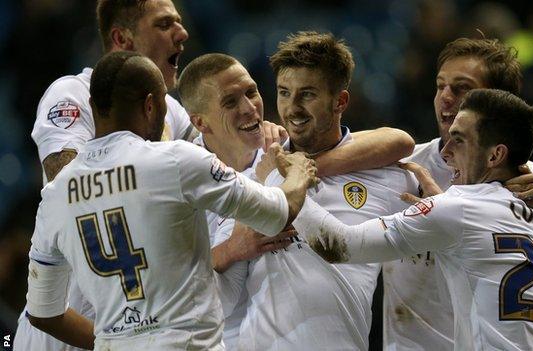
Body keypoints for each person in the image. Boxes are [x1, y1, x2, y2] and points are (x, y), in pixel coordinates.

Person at [25, 51, 318, 350]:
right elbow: (279, 212)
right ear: (151, 105)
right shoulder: (176, 161)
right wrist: (298, 170)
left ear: (93, 107)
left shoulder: (54, 195)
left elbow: (43, 314)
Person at [294, 88, 533, 351]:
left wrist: (290, 185)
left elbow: (339, 245)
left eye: (459, 140)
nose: (446, 151)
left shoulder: (458, 207)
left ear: (495, 155)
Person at [177, 52, 417, 350]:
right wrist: (231, 250)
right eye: (284, 93)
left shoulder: (388, 174)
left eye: (252, 92)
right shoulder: (237, 183)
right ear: (200, 123)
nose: (291, 107)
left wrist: (298, 169)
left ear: (340, 101)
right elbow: (206, 297)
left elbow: (401, 141)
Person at [17, 1, 193, 350]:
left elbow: (219, 176)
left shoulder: (173, 112)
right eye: (163, 24)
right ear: (121, 38)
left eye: (179, 22)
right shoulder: (73, 93)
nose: (182, 33)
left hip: (136, 328)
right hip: (66, 329)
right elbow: (66, 182)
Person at [382, 37, 533, 350]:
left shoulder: (532, 180)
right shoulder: (402, 167)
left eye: (461, 88)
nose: (445, 98)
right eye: (440, 86)